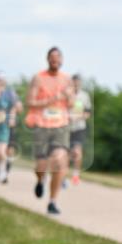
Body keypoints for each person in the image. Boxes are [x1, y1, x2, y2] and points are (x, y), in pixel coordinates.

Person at [25, 47, 74, 215]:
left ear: (62, 61)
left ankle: (52, 201)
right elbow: (30, 102)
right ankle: (40, 180)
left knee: (60, 162)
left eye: (58, 58)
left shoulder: (67, 79)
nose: (55, 61)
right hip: (41, 125)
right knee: (41, 165)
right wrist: (51, 99)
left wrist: (69, 97)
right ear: (47, 60)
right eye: (52, 58)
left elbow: (73, 104)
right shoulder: (38, 78)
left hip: (61, 126)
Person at [66, 73, 92, 187]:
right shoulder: (66, 93)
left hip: (79, 127)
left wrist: (78, 117)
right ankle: (63, 175)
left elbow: (87, 113)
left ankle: (76, 175)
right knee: (65, 153)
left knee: (77, 151)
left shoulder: (84, 96)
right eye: (74, 82)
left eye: (78, 82)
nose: (76, 84)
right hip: (66, 127)